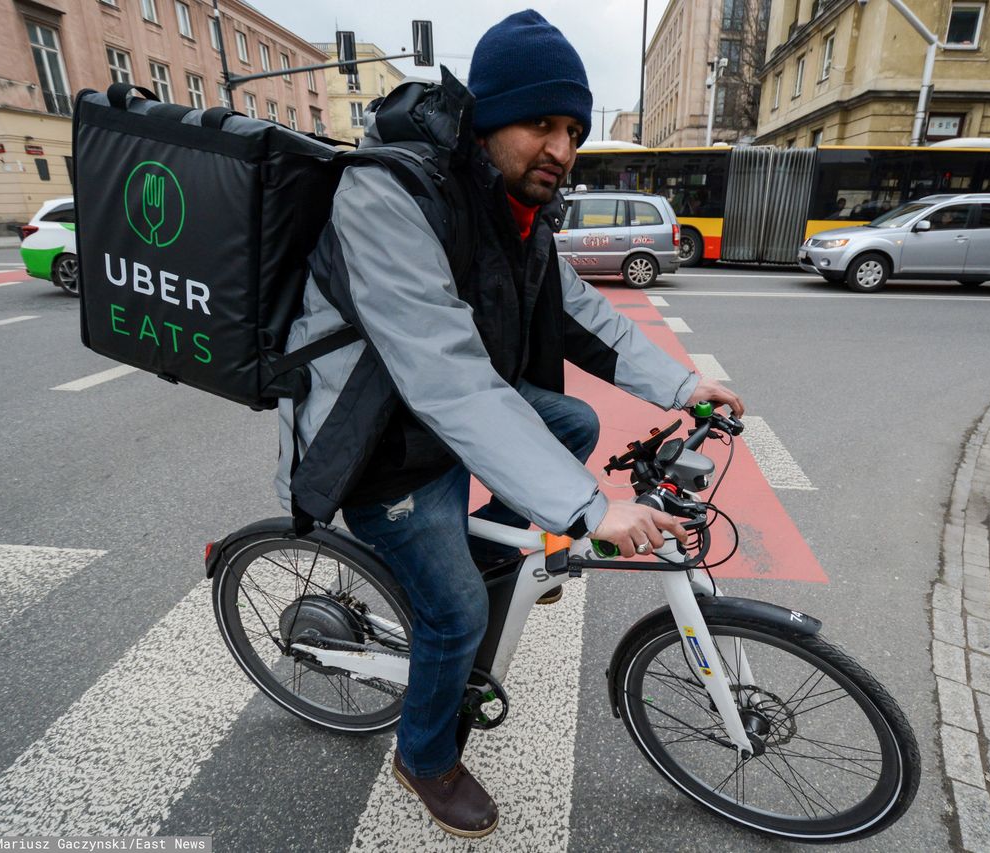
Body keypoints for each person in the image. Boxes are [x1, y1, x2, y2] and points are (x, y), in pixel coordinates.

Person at [274, 9, 742, 839]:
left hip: (439, 422)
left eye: (573, 129)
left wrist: (685, 385)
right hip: (379, 443)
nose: (560, 149)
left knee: (569, 418)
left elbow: (582, 314)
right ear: (485, 118)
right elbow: (447, 374)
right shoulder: (390, 192)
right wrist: (591, 511)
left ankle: (487, 553)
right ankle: (423, 757)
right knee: (454, 615)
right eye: (540, 123)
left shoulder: (515, 209)